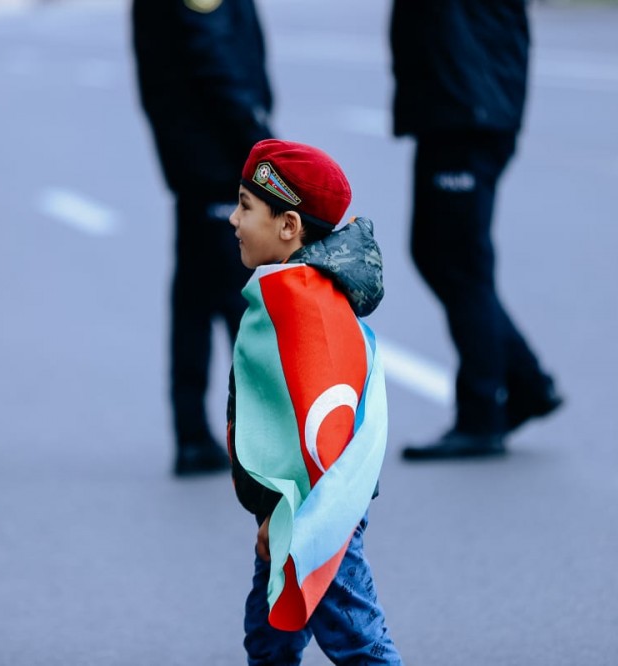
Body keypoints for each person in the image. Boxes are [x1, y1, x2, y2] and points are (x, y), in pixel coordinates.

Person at [227, 139, 402, 665]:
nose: (233, 219)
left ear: (289, 226)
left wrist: (289, 516)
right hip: (294, 503)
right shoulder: (294, 288)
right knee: (270, 637)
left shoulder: (304, 307)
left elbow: (320, 432)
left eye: (245, 206)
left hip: (318, 509)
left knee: (357, 643)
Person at [390, 0, 563, 460]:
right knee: (438, 252)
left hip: (467, 107)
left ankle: (482, 412)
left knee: (457, 260)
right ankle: (525, 383)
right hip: (460, 104)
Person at [131, 0, 273, 476]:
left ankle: (193, 432)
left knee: (194, 296)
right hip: (215, 152)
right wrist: (254, 134)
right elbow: (210, 50)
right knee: (242, 301)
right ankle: (256, 436)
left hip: (193, 152)